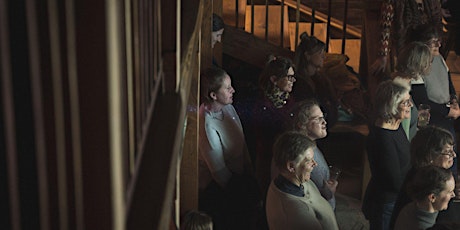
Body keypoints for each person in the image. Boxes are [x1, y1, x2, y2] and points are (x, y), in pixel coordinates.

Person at [198, 67, 258, 229]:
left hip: (239, 176)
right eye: (227, 88)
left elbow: (241, 140)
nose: (233, 90)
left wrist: (249, 169)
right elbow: (219, 172)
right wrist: (241, 195)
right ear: (213, 95)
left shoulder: (228, 107)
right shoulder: (206, 124)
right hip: (222, 188)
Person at [409, 24, 460, 182]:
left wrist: (454, 100)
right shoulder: (418, 65)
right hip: (432, 119)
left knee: (451, 158)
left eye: (439, 41)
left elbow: (448, 83)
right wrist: (447, 112)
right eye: (433, 42)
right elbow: (422, 101)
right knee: (437, 159)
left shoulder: (440, 59)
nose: (439, 45)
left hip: (446, 115)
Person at [362, 80, 412, 230]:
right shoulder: (383, 138)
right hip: (386, 204)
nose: (410, 106)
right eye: (406, 102)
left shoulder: (396, 126)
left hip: (396, 199)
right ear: (392, 105)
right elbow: (394, 181)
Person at [266, 131, 339, 230]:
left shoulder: (294, 179)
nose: (315, 164)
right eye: (309, 160)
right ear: (291, 166)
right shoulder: (296, 215)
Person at [390, 126, 457, 229]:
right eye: (448, 152)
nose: (454, 155)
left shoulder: (436, 175)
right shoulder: (420, 182)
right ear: (429, 156)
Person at [252, 55, 296, 197]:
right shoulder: (263, 104)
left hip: (286, 155)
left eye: (293, 77)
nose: (293, 81)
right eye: (288, 77)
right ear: (274, 80)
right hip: (268, 158)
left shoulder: (288, 99)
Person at [290, 99, 338, 209]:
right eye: (318, 119)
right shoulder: (304, 155)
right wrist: (330, 191)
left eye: (323, 117)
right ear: (302, 124)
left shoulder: (311, 146)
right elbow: (318, 193)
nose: (324, 122)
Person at [293, 32, 339, 126]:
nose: (323, 56)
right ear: (308, 55)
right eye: (319, 53)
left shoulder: (321, 79)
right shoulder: (300, 82)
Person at [391, 41, 432, 140]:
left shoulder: (402, 80)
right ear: (420, 64)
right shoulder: (399, 87)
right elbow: (402, 126)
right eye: (429, 61)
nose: (430, 64)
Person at [394, 166, 455, 230]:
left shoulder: (409, 209)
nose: (453, 195)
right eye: (449, 192)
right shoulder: (423, 227)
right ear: (432, 197)